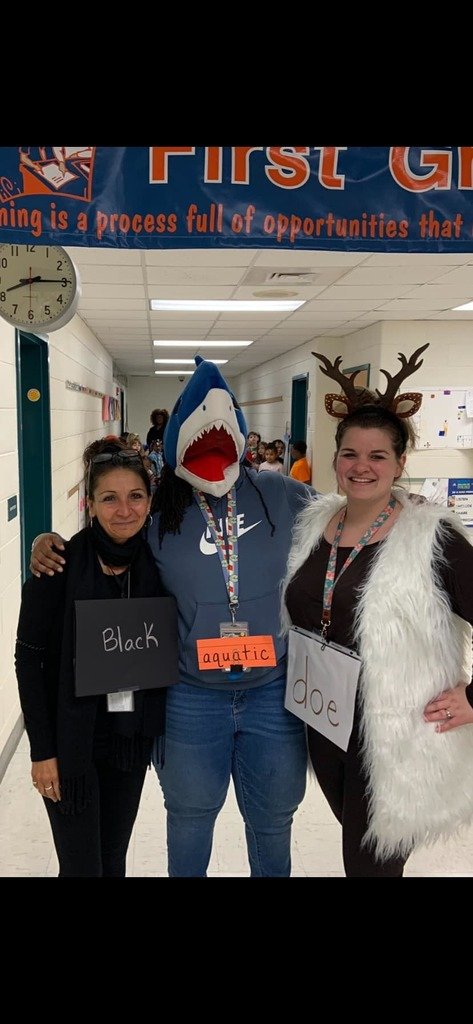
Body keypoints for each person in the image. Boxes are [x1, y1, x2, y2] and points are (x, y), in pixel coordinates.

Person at [31, 358, 313, 877]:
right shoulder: (161, 516)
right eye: (111, 498)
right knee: (188, 817)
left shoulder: (285, 495)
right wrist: (47, 543)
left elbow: (349, 524)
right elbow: (108, 542)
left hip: (272, 694)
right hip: (190, 697)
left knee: (274, 820)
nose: (124, 505)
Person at [281, 345, 473, 877]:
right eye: (350, 454)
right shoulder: (316, 525)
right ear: (335, 456)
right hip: (324, 715)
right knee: (360, 851)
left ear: (400, 463)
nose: (361, 467)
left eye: (378, 456)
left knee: (369, 864)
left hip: (393, 732)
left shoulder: (431, 537)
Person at [16, 440, 169, 877]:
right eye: (110, 498)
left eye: (135, 496)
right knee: (82, 867)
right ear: (90, 503)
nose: (125, 510)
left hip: (128, 739)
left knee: (113, 859)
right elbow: (28, 663)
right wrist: (42, 751)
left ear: (149, 500)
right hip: (70, 745)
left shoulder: (159, 562)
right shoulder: (58, 566)